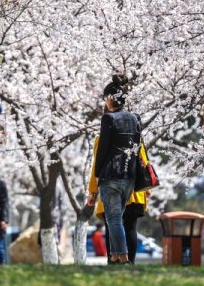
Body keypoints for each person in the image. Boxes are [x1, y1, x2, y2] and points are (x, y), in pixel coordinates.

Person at [91, 74, 141, 265]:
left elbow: (103, 148)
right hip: (129, 175)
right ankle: (114, 255)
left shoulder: (108, 119)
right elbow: (137, 146)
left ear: (111, 98)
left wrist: (97, 173)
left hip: (111, 175)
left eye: (105, 98)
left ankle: (123, 257)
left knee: (113, 219)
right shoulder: (135, 118)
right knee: (117, 217)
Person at [88, 134, 149, 264]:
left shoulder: (102, 138)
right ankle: (129, 264)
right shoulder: (136, 136)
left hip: (111, 189)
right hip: (133, 191)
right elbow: (143, 162)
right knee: (130, 227)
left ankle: (113, 263)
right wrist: (146, 188)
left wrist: (92, 191)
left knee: (112, 225)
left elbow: (96, 167)